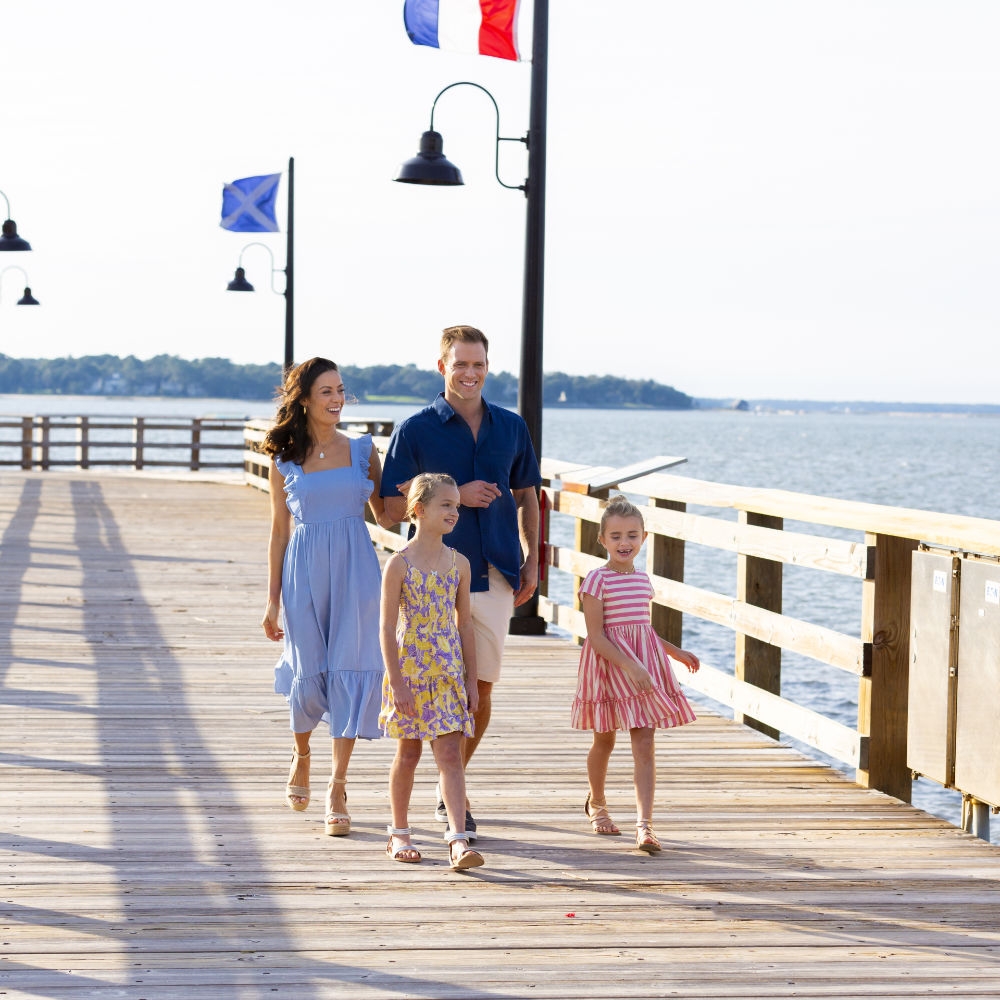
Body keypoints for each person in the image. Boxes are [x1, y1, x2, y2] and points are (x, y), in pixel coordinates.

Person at [380, 325, 541, 839]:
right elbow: (386, 509)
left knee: (480, 691)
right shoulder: (415, 430)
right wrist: (453, 493)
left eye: (478, 365)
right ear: (441, 366)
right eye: (460, 364)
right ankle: (444, 792)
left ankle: (452, 786)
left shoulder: (512, 427)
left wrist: (533, 560)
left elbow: (530, 496)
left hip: (494, 569)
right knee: (425, 688)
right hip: (429, 577)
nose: (469, 374)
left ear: (487, 368)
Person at [261, 357, 395, 837]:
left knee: (350, 665)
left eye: (341, 390)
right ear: (304, 399)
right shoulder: (283, 457)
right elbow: (279, 532)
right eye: (327, 392)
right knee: (307, 666)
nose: (338, 399)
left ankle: (337, 785)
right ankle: (301, 755)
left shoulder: (363, 450)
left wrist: (443, 493)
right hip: (303, 570)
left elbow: (387, 515)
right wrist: (271, 600)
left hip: (357, 570)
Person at [571, 494, 701, 853]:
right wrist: (630, 665)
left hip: (645, 666)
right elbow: (596, 636)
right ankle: (597, 804)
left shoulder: (643, 580)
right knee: (605, 740)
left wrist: (674, 652)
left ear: (644, 538)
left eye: (631, 535)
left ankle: (645, 826)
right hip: (610, 667)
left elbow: (643, 629)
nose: (624, 543)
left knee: (644, 741)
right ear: (603, 540)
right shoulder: (597, 581)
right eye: (615, 536)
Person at [378, 474, 484, 871]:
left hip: (447, 670)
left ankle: (458, 840)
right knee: (408, 753)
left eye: (457, 506)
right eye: (446, 505)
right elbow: (387, 628)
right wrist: (398, 684)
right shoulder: (398, 564)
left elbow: (466, 626)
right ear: (418, 509)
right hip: (409, 669)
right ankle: (399, 832)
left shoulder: (460, 564)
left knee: (450, 754)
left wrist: (472, 680)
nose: (455, 512)